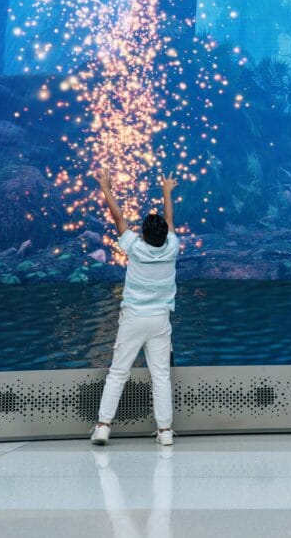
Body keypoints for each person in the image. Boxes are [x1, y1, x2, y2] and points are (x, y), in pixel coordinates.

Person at [91, 169, 181, 447]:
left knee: (119, 372)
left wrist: (106, 186)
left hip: (133, 319)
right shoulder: (173, 247)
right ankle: (165, 431)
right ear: (165, 236)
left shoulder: (134, 248)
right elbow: (170, 221)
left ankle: (104, 426)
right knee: (161, 376)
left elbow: (118, 218)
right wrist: (167, 191)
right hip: (159, 321)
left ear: (141, 234)